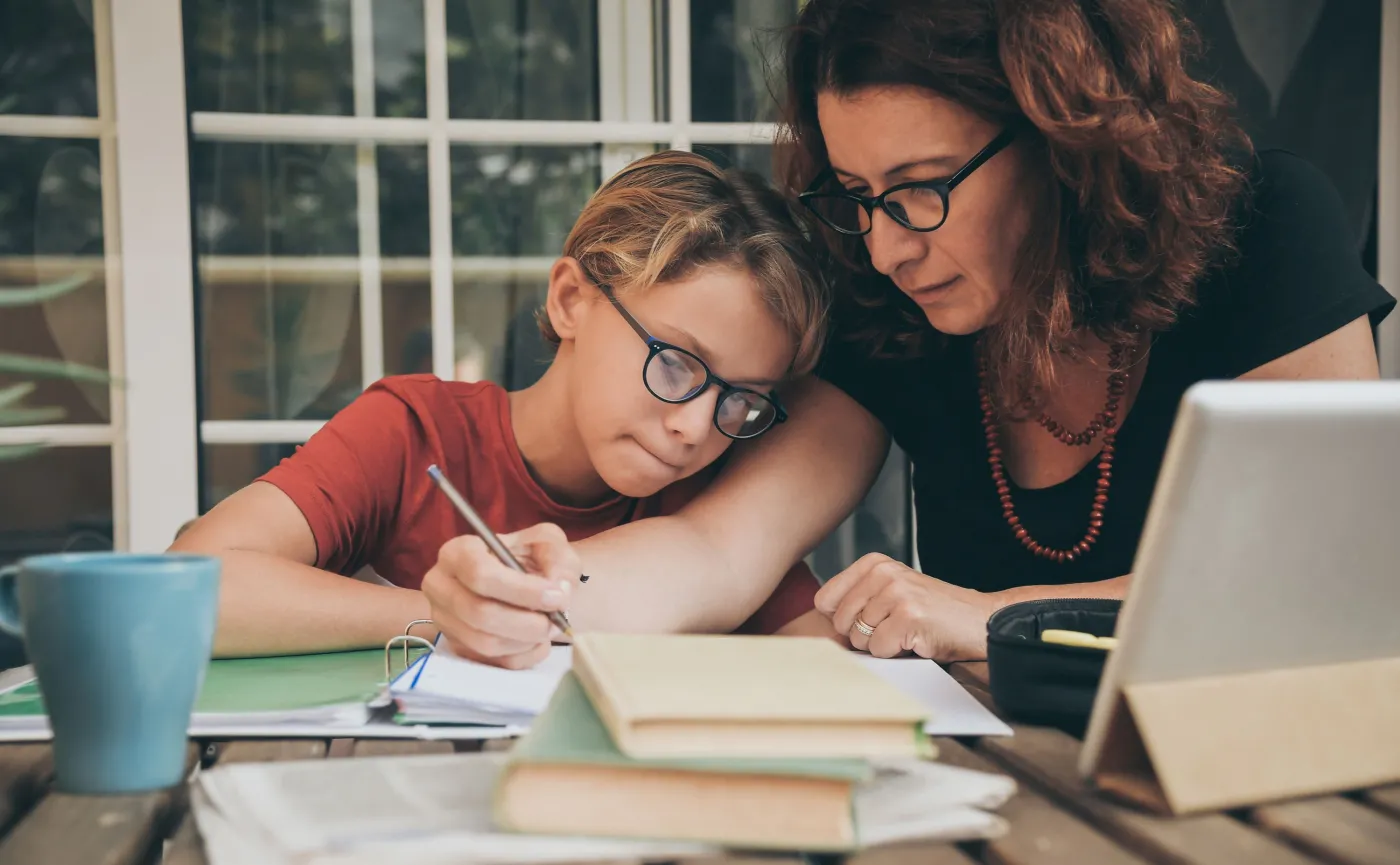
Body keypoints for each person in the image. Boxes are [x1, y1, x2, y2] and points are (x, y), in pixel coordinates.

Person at [419, 0, 1394, 667]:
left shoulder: (1261, 228)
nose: (884, 246)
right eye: (854, 195)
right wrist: (521, 593)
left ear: (1064, 140)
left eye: (919, 189)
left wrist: (983, 615)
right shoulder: (892, 307)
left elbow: (1327, 583)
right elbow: (714, 553)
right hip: (1000, 789)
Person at [171, 150, 834, 663]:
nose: (694, 426)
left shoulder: (717, 498)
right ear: (571, 299)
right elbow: (186, 588)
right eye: (675, 363)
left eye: (741, 399)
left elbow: (825, 665)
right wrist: (447, 615)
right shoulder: (412, 433)